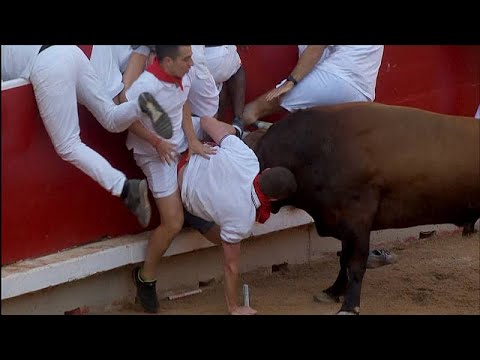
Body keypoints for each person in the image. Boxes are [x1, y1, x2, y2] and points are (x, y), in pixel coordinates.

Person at [0, 45, 172, 228]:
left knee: (69, 146)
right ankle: (139, 105)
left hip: (49, 66)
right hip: (72, 53)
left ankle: (125, 188)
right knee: (111, 118)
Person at [124, 45, 216, 313]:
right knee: (173, 222)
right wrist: (157, 143)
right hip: (155, 155)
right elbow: (127, 121)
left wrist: (193, 140)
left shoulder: (182, 73)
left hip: (179, 142)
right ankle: (146, 279)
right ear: (167, 61)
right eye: (186, 59)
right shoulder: (146, 86)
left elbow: (184, 102)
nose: (191, 63)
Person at [178, 116, 297, 315]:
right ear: (274, 199)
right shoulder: (243, 220)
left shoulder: (247, 157)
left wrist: (233, 133)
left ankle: (237, 130)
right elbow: (230, 266)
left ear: (265, 170)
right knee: (222, 233)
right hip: (183, 192)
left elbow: (206, 121)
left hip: (186, 153)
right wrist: (233, 307)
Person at [242, 45, 384, 129]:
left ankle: (229, 133)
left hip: (336, 79)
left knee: (256, 108)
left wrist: (291, 82)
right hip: (363, 94)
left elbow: (316, 49)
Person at [204, 45, 246, 129]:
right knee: (237, 69)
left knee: (219, 87)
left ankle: (218, 129)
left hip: (202, 61)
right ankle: (238, 121)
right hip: (213, 59)